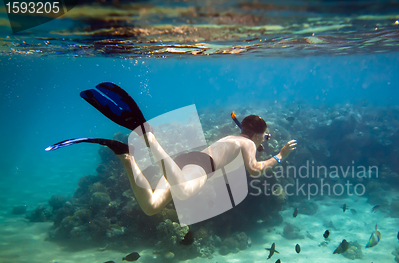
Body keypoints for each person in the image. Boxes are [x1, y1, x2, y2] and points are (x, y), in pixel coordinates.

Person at [46, 82, 297, 216]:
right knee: (185, 192)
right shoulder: (246, 142)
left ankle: (125, 156)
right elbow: (254, 169)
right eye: (265, 136)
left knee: (152, 207)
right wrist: (280, 156)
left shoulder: (237, 137)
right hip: (198, 167)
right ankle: (148, 137)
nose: (265, 140)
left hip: (188, 161)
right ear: (255, 133)